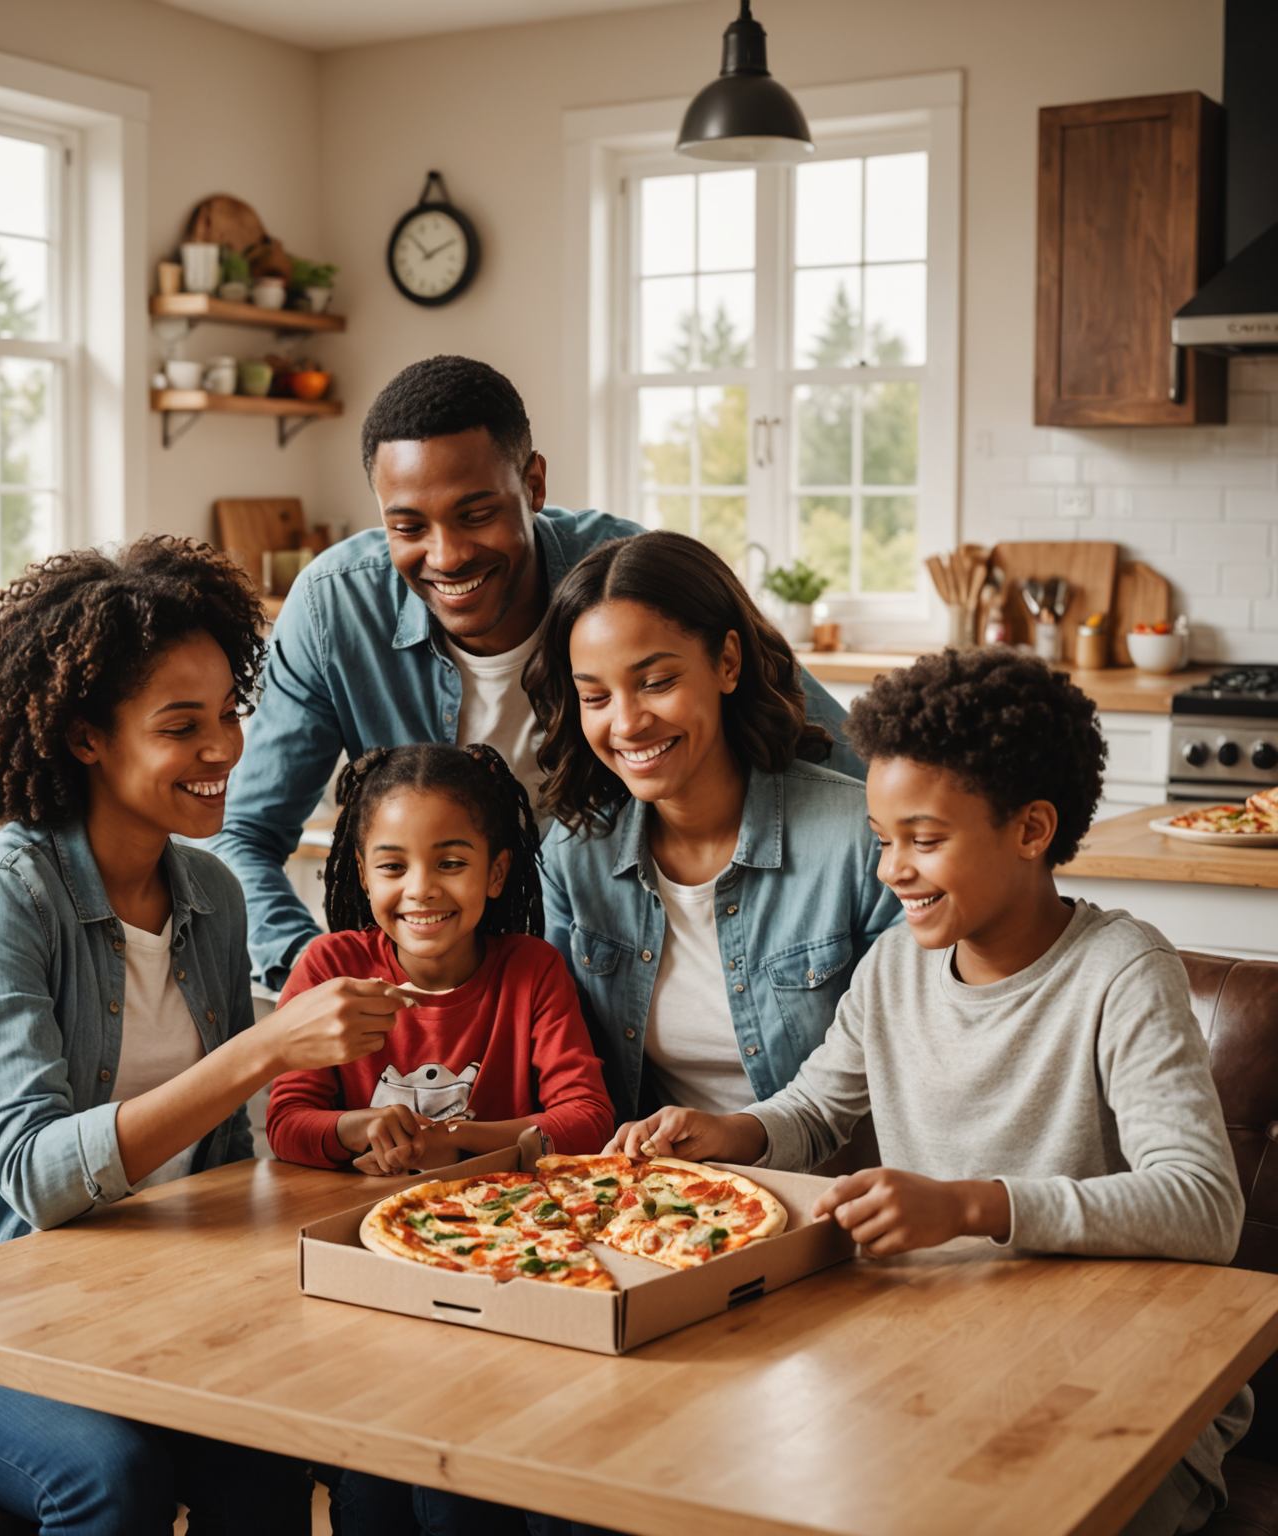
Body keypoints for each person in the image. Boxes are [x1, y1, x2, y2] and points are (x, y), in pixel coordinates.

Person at [0, 536, 418, 1536]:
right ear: (87, 735)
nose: (224, 748)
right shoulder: (4, 895)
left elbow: (220, 1164)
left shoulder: (213, 897)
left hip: (103, 1299)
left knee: (281, 1427)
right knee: (108, 1474)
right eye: (182, 726)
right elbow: (37, 1173)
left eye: (229, 712)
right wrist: (264, 1051)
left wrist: (342, 1142)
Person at [609, 647, 1249, 1536]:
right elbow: (814, 1111)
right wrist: (732, 1134)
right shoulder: (892, 968)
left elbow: (1202, 1205)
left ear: (1031, 830)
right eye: (882, 840)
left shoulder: (1121, 972)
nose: (890, 872)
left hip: (1124, 1381)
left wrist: (970, 1206)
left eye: (925, 840)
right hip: (944, 1353)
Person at [216, 354, 862, 992]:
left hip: (604, 974)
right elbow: (245, 832)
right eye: (408, 526)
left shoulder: (621, 581)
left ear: (534, 484)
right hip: (420, 984)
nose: (447, 556)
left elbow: (836, 757)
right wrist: (313, 976)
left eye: (476, 515)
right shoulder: (334, 608)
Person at [528, 530, 902, 1126]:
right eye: (595, 696)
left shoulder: (860, 841)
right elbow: (550, 1064)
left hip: (841, 1198)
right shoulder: (576, 857)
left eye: (656, 683)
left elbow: (916, 1062)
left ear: (727, 662)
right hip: (655, 1204)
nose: (626, 724)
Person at [267, 742, 613, 1174]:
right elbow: (286, 1122)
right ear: (362, 874)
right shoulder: (328, 969)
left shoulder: (534, 971)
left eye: (450, 863)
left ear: (495, 873)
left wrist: (451, 1139)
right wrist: (361, 1128)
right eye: (393, 867)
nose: (421, 889)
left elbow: (588, 1119)